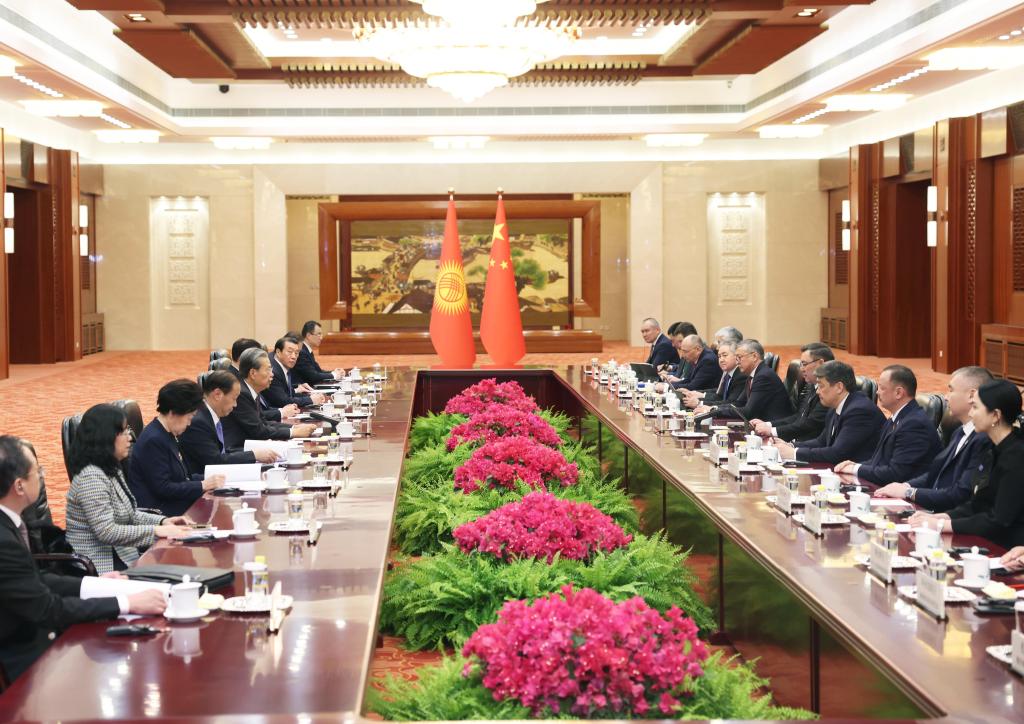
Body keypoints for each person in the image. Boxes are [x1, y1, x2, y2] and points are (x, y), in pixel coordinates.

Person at [0, 436, 167, 682]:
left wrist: (96, 584)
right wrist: (126, 603)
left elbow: (35, 579)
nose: (42, 476)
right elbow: (48, 609)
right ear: (19, 486)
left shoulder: (9, 523)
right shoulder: (4, 540)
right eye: (37, 471)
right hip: (22, 655)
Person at [65, 404, 191, 574]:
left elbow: (130, 514)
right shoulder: (91, 477)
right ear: (105, 436)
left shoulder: (110, 467)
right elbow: (107, 531)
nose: (130, 437)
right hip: (99, 565)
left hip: (121, 555)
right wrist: (157, 531)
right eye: (124, 432)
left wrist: (163, 521)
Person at [909, 379, 1024, 549]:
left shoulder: (1016, 457)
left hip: (1007, 548)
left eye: (975, 408)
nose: (970, 414)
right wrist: (940, 517)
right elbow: (976, 504)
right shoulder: (992, 448)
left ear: (995, 415)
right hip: (985, 538)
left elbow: (998, 520)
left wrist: (942, 525)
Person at [875, 366, 992, 510]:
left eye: (951, 390)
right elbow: (936, 473)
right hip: (936, 507)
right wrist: (905, 486)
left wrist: (909, 492)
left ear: (971, 396)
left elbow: (960, 494)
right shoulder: (960, 432)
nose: (946, 397)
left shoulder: (983, 440)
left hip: (950, 514)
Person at [128, 379, 226, 518]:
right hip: (161, 512)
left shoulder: (167, 433)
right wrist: (202, 485)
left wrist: (213, 477)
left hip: (175, 503)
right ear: (173, 412)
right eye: (189, 417)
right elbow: (163, 488)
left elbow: (182, 477)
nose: (190, 423)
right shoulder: (153, 440)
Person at [833, 365, 941, 484]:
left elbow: (896, 474)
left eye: (882, 388)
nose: (877, 392)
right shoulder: (896, 418)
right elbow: (878, 461)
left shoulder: (915, 425)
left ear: (898, 393)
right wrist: (855, 465)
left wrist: (855, 469)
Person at [774, 361, 884, 465]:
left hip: (862, 474)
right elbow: (821, 442)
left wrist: (794, 453)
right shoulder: (835, 406)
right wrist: (791, 446)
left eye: (821, 386)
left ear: (839, 387)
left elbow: (837, 453)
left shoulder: (859, 412)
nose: (817, 391)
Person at [179, 371, 280, 472]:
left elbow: (224, 452)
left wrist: (255, 451)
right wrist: (253, 455)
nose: (235, 404)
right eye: (234, 398)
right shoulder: (198, 422)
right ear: (217, 394)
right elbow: (215, 461)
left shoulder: (210, 414)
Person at [222, 348, 316, 450]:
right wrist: (293, 432)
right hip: (237, 450)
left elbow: (264, 422)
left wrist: (294, 427)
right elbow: (259, 431)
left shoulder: (251, 389)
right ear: (253, 373)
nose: (272, 374)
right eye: (268, 370)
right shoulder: (241, 394)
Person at [751, 344, 833, 442]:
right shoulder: (812, 385)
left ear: (821, 363)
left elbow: (810, 424)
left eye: (804, 364)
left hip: (808, 445)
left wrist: (772, 431)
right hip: (796, 441)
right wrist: (768, 424)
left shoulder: (830, 391)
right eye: (801, 364)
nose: (801, 369)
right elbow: (799, 416)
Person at [698, 339, 791, 421]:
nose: (737, 361)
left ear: (754, 357)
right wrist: (714, 408)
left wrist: (713, 410)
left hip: (773, 427)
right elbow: (738, 403)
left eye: (739, 357)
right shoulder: (753, 374)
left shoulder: (763, 376)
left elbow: (748, 412)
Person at [229, 338, 298, 422]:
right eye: (257, 355)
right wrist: (281, 412)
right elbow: (254, 417)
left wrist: (282, 411)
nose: (271, 374)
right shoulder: (234, 383)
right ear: (244, 357)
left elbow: (260, 413)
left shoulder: (250, 377)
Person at [265, 335, 326, 409]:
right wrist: (310, 400)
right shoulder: (273, 371)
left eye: (296, 353)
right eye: (290, 352)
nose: (294, 357)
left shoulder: (283, 364)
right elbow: (282, 401)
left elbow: (287, 393)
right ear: (278, 352)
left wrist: (309, 396)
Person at [681, 341, 747, 409]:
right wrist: (696, 393)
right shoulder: (728, 373)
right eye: (719, 356)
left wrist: (699, 403)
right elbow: (719, 395)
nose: (721, 360)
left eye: (725, 355)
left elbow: (731, 403)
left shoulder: (741, 376)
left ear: (736, 357)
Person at [294, 321, 343, 386]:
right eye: (319, 334)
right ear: (308, 335)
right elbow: (313, 376)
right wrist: (333, 375)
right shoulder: (302, 352)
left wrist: (334, 372)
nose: (321, 338)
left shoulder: (307, 350)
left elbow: (318, 371)